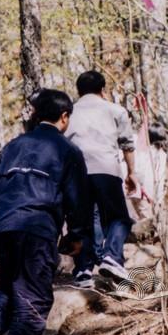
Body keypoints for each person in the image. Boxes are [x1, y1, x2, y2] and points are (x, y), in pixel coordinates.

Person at [0, 89, 90, 335]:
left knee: (9, 286)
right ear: (64, 117)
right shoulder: (68, 150)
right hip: (36, 226)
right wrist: (77, 234)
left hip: (4, 224)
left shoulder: (14, 146)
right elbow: (77, 197)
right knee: (36, 294)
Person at [64, 71, 137, 288]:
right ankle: (112, 257)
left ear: (78, 91)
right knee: (119, 218)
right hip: (106, 168)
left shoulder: (68, 113)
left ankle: (84, 270)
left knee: (86, 221)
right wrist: (132, 173)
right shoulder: (115, 110)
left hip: (76, 173)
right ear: (103, 89)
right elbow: (127, 144)